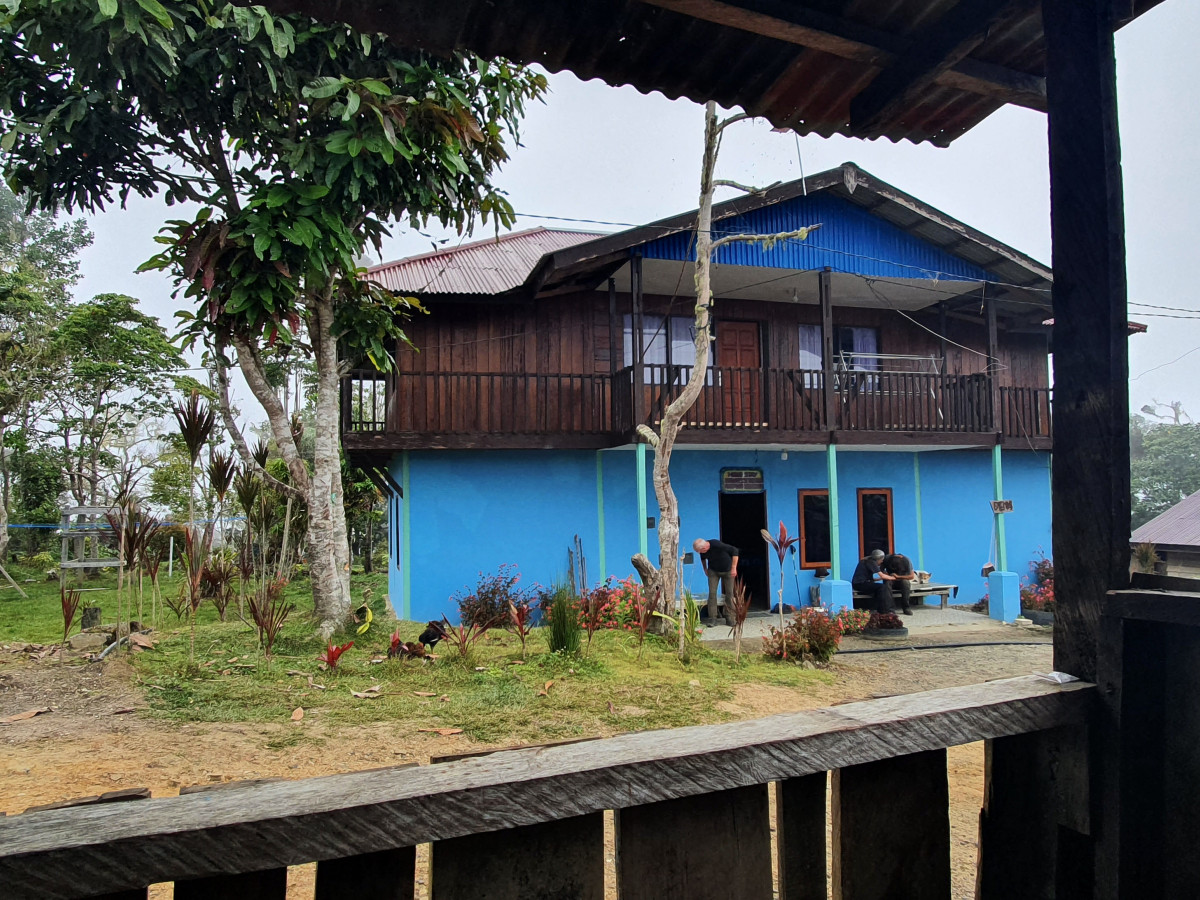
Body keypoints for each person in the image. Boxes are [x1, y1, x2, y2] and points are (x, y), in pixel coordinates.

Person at [692, 537, 739, 626]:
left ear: (704, 548)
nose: (699, 553)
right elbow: (703, 559)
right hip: (713, 571)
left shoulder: (717, 544)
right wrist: (705, 569)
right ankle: (713, 618)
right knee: (712, 594)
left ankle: (729, 617)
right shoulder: (703, 552)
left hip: (728, 570)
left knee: (729, 594)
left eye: (699, 551)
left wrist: (734, 568)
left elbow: (735, 551)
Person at [851, 548, 897, 613]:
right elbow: (882, 575)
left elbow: (867, 577)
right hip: (859, 584)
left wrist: (879, 579)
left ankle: (878, 608)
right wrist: (894, 578)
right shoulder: (871, 562)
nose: (881, 562)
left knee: (879, 589)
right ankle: (885, 610)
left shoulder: (867, 560)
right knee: (882, 587)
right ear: (878, 559)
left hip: (860, 583)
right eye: (881, 560)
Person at [883, 551, 916, 616]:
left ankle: (906, 607)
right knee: (887, 583)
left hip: (901, 580)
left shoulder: (907, 561)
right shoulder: (887, 559)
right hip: (890, 579)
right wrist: (885, 574)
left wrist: (898, 577)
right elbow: (880, 570)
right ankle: (890, 609)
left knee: (905, 582)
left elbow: (912, 576)